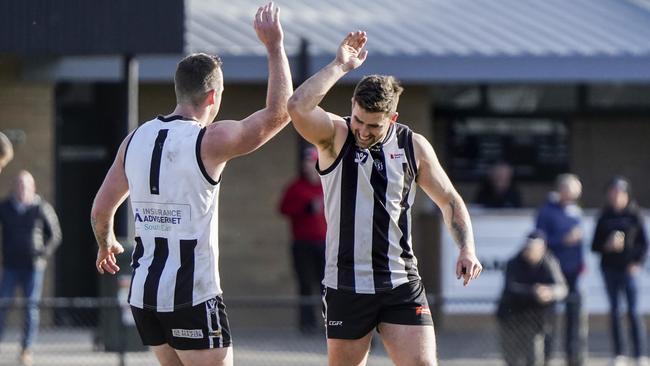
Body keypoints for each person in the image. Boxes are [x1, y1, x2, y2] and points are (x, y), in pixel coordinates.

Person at [89, 3, 292, 366]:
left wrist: (106, 243)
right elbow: (278, 114)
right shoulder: (208, 140)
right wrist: (275, 46)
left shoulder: (135, 139)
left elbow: (101, 209)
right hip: (192, 295)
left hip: (145, 296)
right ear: (213, 96)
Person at [287, 31, 482, 366]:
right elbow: (296, 107)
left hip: (400, 281)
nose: (362, 131)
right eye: (359, 119)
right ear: (352, 106)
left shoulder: (412, 146)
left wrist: (467, 247)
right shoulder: (335, 136)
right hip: (346, 283)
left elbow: (449, 199)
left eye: (373, 126)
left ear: (392, 118)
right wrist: (339, 65)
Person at [0, 170, 62, 366]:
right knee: (2, 305)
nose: (22, 189)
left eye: (25, 185)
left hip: (33, 267)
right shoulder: (5, 207)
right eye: (18, 185)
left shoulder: (41, 207)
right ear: (13, 187)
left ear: (33, 188)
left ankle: (26, 349)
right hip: (10, 266)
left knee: (30, 308)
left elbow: (55, 235)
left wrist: (42, 254)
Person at [591, 177, 648, 366]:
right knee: (615, 311)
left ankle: (640, 354)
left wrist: (636, 263)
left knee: (633, 311)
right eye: (613, 193)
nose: (616, 197)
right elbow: (595, 246)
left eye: (620, 193)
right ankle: (619, 354)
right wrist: (607, 246)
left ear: (626, 195)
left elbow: (643, 244)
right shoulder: (604, 216)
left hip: (628, 270)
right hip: (609, 269)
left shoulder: (634, 215)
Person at [535, 173, 587, 366]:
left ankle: (573, 358)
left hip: (573, 272)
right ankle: (545, 357)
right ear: (563, 189)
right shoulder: (546, 211)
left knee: (574, 317)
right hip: (552, 272)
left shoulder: (575, 210)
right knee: (549, 318)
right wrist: (562, 240)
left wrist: (582, 263)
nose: (576, 194)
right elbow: (540, 241)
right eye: (573, 190)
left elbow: (580, 241)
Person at [496, 230, 567, 366]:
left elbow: (562, 288)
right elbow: (511, 288)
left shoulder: (549, 262)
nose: (529, 252)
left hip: (535, 320)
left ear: (542, 249)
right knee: (512, 359)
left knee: (535, 358)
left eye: (534, 249)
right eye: (528, 248)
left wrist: (550, 293)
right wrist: (534, 292)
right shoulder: (514, 262)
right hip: (511, 317)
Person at [279, 146, 326, 334]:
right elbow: (283, 209)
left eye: (312, 162)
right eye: (306, 162)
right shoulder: (296, 187)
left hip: (325, 244)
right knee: (306, 284)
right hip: (303, 244)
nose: (309, 166)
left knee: (327, 285)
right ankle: (307, 324)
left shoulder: (326, 185)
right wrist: (305, 208)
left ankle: (329, 322)